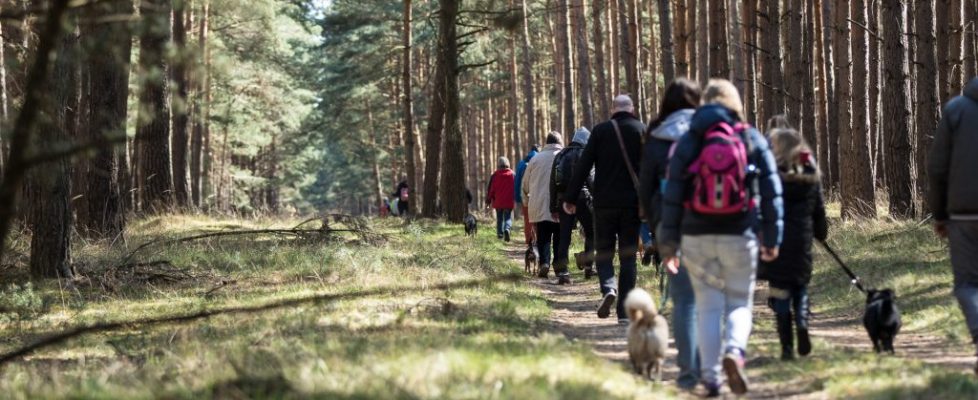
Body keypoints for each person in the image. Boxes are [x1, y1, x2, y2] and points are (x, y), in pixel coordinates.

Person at [658, 79, 783, 397]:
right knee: (740, 302)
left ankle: (711, 379)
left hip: (697, 236)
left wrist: (669, 242)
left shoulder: (690, 140)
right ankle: (735, 352)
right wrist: (773, 236)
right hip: (740, 233)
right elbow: (771, 191)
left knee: (708, 307)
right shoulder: (750, 136)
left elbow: (672, 194)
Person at [637, 78, 702, 390]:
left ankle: (689, 373)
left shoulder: (657, 137)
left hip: (670, 225)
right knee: (711, 298)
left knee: (684, 299)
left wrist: (655, 227)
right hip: (713, 224)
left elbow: (646, 188)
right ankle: (711, 365)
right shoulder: (710, 132)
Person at [564, 95, 646, 323]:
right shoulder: (642, 130)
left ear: (613, 110)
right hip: (632, 205)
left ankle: (608, 287)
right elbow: (651, 168)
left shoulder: (600, 131)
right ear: (632, 109)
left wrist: (570, 198)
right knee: (628, 257)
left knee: (605, 251)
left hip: (604, 204)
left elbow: (583, 165)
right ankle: (624, 312)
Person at [757, 128, 828, 361]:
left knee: (780, 292)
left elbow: (763, 206)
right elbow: (819, 208)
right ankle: (803, 323)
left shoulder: (772, 172)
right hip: (802, 240)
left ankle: (787, 347)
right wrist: (820, 233)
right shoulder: (810, 171)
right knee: (800, 287)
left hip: (776, 240)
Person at [929, 76, 978, 375]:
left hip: (962, 215)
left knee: (968, 284)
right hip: (960, 215)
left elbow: (936, 168)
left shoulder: (956, 110)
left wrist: (939, 214)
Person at [551, 127, 595, 283]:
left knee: (564, 236)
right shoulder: (585, 154)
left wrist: (553, 207)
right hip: (583, 199)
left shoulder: (561, 154)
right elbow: (590, 180)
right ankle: (589, 267)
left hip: (564, 200)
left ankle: (563, 272)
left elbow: (553, 184)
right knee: (591, 232)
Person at [523, 133, 563, 278]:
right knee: (559, 236)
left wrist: (527, 201)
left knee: (543, 237)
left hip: (539, 205)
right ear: (560, 142)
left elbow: (525, 185)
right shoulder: (564, 156)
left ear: (546, 143)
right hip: (560, 205)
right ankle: (559, 266)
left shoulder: (535, 159)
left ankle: (544, 263)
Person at [516, 145, 540, 247]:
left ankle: (529, 241)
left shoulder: (522, 163)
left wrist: (517, 197)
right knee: (539, 219)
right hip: (538, 195)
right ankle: (538, 241)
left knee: (527, 219)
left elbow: (517, 181)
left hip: (525, 195)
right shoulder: (540, 160)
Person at [487, 157, 516, 241]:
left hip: (498, 201)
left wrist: (488, 199)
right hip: (509, 201)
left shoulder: (495, 175)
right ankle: (507, 229)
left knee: (499, 218)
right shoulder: (513, 174)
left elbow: (491, 189)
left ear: (498, 164)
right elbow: (516, 187)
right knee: (508, 217)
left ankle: (500, 234)